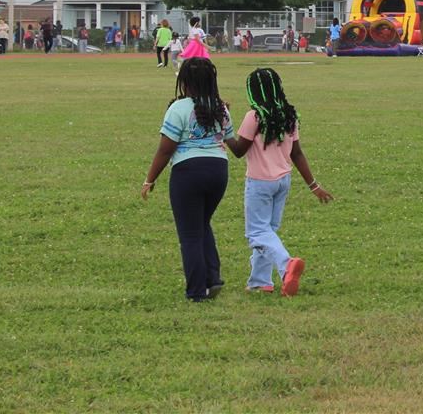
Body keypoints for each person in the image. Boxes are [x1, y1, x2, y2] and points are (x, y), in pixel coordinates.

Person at [224, 67, 332, 295]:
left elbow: (238, 150)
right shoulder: (289, 115)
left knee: (256, 233)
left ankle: (286, 265)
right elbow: (297, 153)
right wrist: (314, 185)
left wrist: (225, 128)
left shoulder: (254, 116)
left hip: (260, 182)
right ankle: (260, 281)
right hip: (283, 181)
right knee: (268, 230)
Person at [140, 57, 234, 301]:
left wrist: (149, 179)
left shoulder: (178, 108)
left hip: (188, 172)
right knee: (202, 224)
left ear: (185, 82)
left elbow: (165, 149)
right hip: (218, 171)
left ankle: (196, 291)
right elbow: (230, 140)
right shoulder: (221, 108)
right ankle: (213, 279)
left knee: (190, 234)